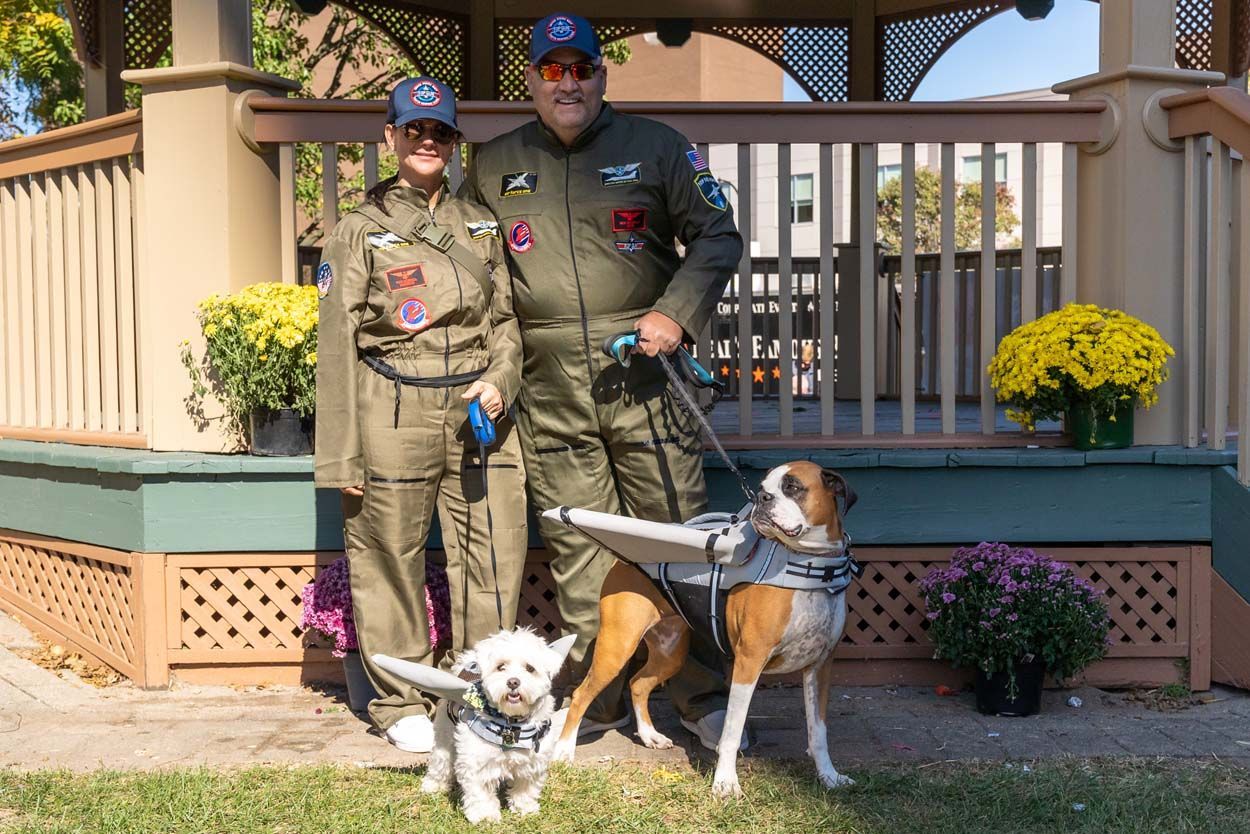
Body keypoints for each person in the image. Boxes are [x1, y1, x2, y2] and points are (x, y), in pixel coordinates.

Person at [462, 13, 745, 749]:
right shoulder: (491, 164)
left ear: (600, 75)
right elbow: (467, 272)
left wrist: (677, 313)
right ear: (531, 80)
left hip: (644, 369)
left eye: (580, 68)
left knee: (676, 540)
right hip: (548, 378)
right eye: (552, 71)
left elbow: (718, 234)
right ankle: (602, 695)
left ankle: (700, 695)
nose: (568, 83)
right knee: (581, 544)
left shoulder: (657, 147)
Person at [314, 76, 528, 755]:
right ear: (391, 138)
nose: (427, 142)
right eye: (414, 130)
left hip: (476, 411)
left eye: (440, 133)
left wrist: (500, 380)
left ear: (455, 143)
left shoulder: (483, 224)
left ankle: (481, 693)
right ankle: (399, 699)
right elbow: (336, 346)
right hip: (391, 405)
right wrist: (339, 454)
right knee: (388, 555)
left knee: (493, 550)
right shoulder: (358, 231)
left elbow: (507, 322)